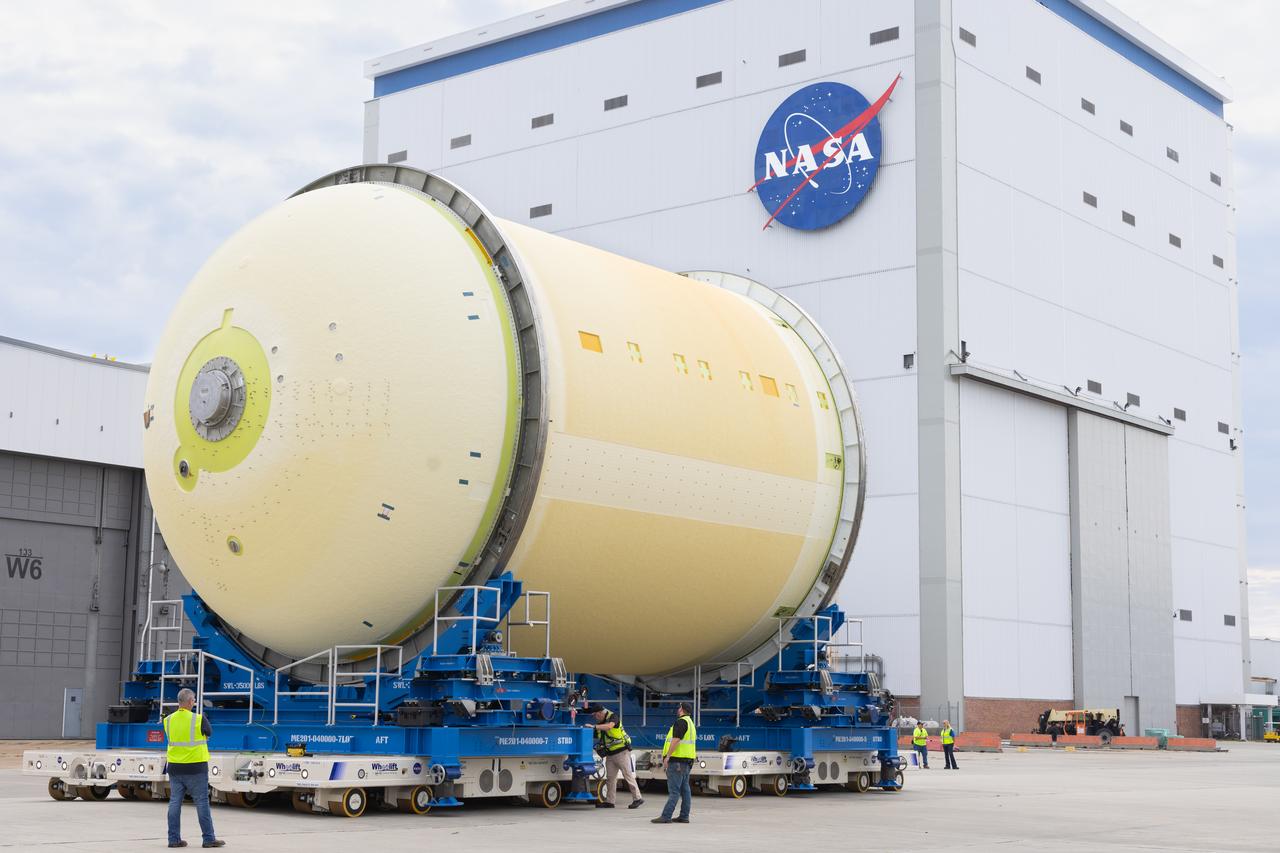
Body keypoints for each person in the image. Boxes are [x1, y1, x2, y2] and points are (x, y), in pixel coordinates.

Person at [164, 688, 225, 849]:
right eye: (194, 700)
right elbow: (209, 732)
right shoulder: (198, 719)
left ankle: (173, 839)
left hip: (175, 767)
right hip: (196, 768)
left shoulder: (168, 720)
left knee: (174, 802)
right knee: (202, 802)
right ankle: (208, 839)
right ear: (191, 702)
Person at [587, 706, 644, 809]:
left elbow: (609, 727)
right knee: (610, 779)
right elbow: (596, 735)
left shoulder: (613, 717)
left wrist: (594, 727)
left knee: (628, 775)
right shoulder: (600, 724)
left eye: (595, 715)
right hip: (610, 754)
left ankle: (637, 798)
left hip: (621, 752)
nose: (595, 717)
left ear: (600, 712)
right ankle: (610, 801)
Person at [651, 701, 695, 824]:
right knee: (685, 790)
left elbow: (675, 740)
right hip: (686, 762)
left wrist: (668, 756)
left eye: (679, 707)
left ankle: (666, 816)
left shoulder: (681, 722)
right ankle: (684, 816)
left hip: (677, 762)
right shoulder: (690, 723)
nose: (677, 709)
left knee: (674, 791)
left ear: (681, 709)